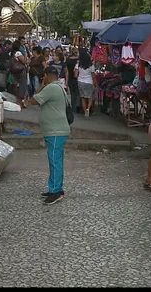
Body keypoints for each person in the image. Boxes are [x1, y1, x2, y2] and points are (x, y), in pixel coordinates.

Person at [30, 66, 71, 205]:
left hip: (56, 131)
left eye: (44, 76)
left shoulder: (51, 88)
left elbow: (34, 100)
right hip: (56, 131)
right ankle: (54, 187)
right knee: (55, 161)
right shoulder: (59, 87)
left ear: (47, 75)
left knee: (55, 162)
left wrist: (41, 85)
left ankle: (56, 191)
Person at [75, 48, 96, 118]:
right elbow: (93, 76)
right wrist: (95, 83)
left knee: (83, 97)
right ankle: (88, 109)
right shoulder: (91, 65)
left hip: (80, 81)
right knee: (89, 97)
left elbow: (75, 75)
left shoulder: (78, 64)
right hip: (89, 82)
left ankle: (84, 111)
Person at [10, 40, 29, 107]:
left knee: (16, 86)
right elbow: (24, 61)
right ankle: (21, 101)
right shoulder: (18, 53)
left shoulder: (12, 53)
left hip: (14, 71)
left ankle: (18, 101)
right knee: (22, 86)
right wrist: (25, 54)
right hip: (21, 71)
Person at [66, 47, 80, 113]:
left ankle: (72, 107)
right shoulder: (79, 60)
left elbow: (67, 70)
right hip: (77, 77)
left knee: (72, 93)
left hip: (70, 78)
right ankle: (76, 107)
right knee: (77, 93)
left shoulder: (68, 59)